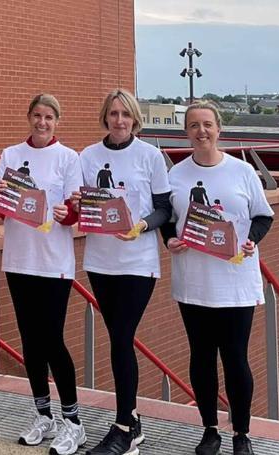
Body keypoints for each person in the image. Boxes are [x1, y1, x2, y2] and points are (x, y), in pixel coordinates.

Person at [160, 102, 274, 455]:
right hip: (194, 282)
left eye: (207, 124)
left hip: (235, 282)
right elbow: (167, 217)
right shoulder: (174, 176)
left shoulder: (242, 172)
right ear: (186, 133)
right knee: (202, 358)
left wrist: (251, 239)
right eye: (193, 125)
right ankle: (210, 429)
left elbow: (263, 216)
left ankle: (242, 433)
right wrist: (169, 239)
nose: (201, 131)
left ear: (218, 129)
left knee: (236, 359)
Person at [76, 89, 171, 455]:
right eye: (113, 114)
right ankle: (133, 421)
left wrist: (143, 226)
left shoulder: (150, 156)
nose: (119, 121)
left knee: (120, 338)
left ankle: (123, 429)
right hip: (101, 262)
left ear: (135, 119)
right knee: (118, 338)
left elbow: (164, 208)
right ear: (105, 117)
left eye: (125, 115)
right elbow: (81, 200)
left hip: (137, 263)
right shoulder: (87, 155)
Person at [0, 94, 86, 455]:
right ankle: (43, 414)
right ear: (28, 118)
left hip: (53, 263)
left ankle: (73, 421)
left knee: (52, 341)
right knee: (30, 342)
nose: (42, 122)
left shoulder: (68, 158)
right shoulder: (11, 155)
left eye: (48, 117)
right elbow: (2, 208)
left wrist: (68, 213)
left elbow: (74, 214)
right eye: (36, 116)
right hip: (18, 260)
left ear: (56, 121)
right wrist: (1, 199)